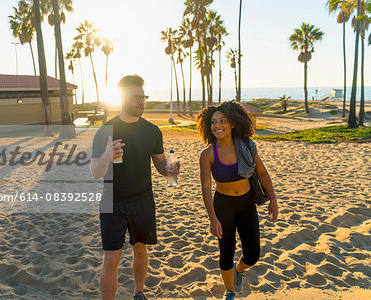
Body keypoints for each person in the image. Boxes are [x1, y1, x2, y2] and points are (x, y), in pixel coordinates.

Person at [90, 75, 179, 300]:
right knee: (111, 258)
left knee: (140, 248)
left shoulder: (152, 131)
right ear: (122, 98)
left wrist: (167, 170)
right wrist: (106, 157)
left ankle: (139, 293)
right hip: (113, 202)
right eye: (136, 97)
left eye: (144, 97)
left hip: (143, 200)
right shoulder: (106, 130)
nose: (141, 102)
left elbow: (159, 162)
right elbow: (95, 171)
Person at [197, 101, 278, 300]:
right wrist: (212, 218)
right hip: (223, 206)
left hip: (246, 203)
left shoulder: (247, 146)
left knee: (253, 254)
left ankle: (239, 269)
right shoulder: (207, 154)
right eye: (214, 122)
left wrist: (273, 199)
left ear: (232, 123)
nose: (218, 125)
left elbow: (262, 172)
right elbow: (206, 188)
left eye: (223, 121)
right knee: (226, 251)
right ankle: (230, 291)